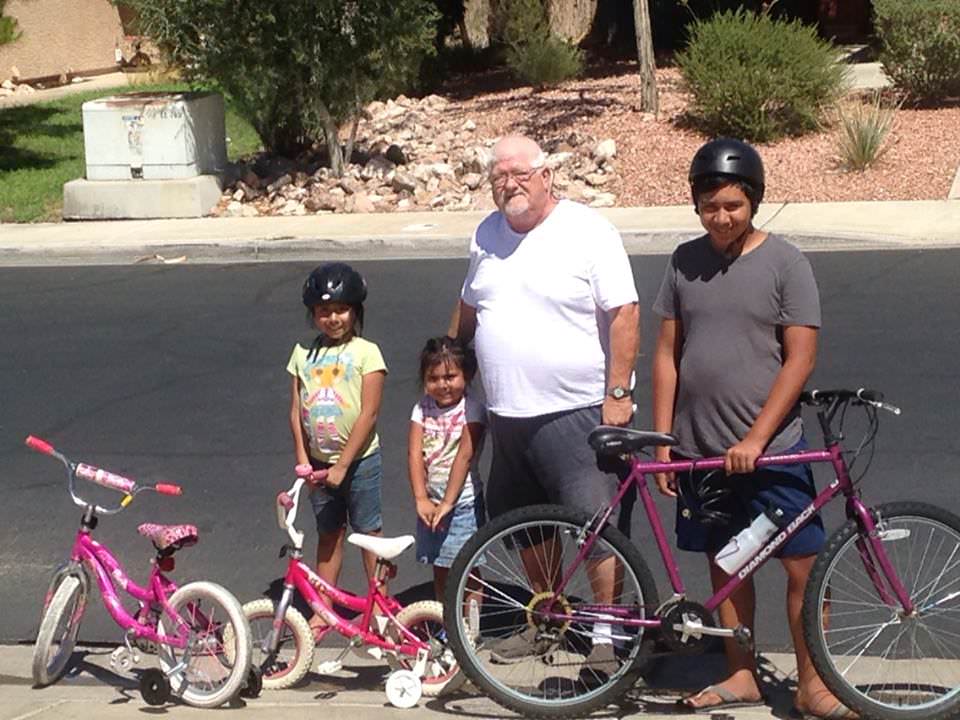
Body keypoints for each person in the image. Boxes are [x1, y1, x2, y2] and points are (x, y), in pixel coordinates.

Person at [651, 138, 849, 719]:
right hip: (700, 450)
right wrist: (665, 440)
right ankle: (741, 675)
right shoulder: (684, 261)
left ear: (754, 202)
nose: (721, 217)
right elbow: (666, 354)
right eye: (710, 206)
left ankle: (814, 685)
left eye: (733, 206)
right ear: (696, 205)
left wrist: (757, 439)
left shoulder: (787, 262)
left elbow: (800, 359)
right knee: (726, 562)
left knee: (803, 566)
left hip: (772, 451)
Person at [449, 134, 640, 676]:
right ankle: (548, 618)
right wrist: (447, 366)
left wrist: (619, 394)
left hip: (577, 412)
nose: (507, 184)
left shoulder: (587, 231)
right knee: (527, 526)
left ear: (547, 176)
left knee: (595, 525)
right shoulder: (486, 235)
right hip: (508, 415)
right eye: (497, 176)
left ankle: (606, 636)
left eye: (518, 174)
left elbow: (624, 312)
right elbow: (468, 309)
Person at [288, 262, 387, 641]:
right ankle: (321, 607)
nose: (333, 318)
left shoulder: (367, 353)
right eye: (324, 312)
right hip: (317, 464)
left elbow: (369, 412)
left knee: (368, 533)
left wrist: (344, 465)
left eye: (341, 310)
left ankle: (378, 605)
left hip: (359, 461)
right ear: (314, 315)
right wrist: (302, 456)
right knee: (328, 533)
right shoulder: (303, 354)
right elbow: (296, 410)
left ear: (355, 311)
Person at [407, 336, 486, 600]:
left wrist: (448, 504)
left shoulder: (472, 409)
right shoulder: (421, 408)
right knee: (440, 565)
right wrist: (421, 499)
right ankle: (446, 624)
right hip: (431, 502)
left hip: (461, 502)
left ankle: (470, 631)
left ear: (466, 374)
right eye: (434, 378)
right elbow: (414, 454)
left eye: (450, 376)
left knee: (468, 568)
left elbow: (464, 457)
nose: (442, 385)